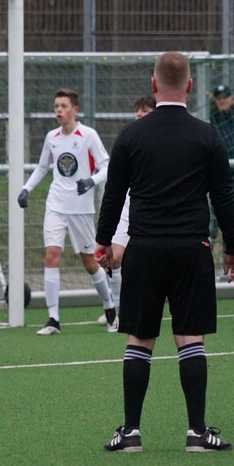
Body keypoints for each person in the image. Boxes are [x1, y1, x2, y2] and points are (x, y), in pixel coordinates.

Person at [95, 52, 234, 454]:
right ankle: (197, 433)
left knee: (139, 339)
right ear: (190, 86)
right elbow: (224, 196)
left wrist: (102, 241)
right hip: (191, 248)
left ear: (154, 85)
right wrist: (233, 247)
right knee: (190, 337)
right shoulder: (208, 135)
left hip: (143, 249)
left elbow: (113, 195)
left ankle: (130, 432)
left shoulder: (131, 135)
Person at [17, 88, 114, 335]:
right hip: (56, 204)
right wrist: (26, 188)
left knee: (90, 262)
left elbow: (106, 166)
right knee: (51, 255)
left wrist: (91, 181)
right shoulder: (52, 137)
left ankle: (109, 306)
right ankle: (53, 318)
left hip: (80, 209)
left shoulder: (88, 135)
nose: (59, 110)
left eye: (63, 106)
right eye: (56, 106)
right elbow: (42, 167)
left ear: (75, 110)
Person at [96, 94, 156, 329]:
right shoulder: (128, 138)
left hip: (150, 210)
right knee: (114, 258)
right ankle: (118, 310)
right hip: (126, 208)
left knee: (147, 263)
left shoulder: (161, 141)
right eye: (137, 110)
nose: (139, 114)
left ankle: (142, 306)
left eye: (145, 110)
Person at [208, 84, 234, 279]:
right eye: (219, 97)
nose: (222, 100)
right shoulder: (213, 121)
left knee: (233, 223)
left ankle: (231, 266)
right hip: (218, 180)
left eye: (225, 96)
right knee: (212, 225)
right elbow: (219, 147)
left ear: (231, 98)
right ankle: (206, 265)